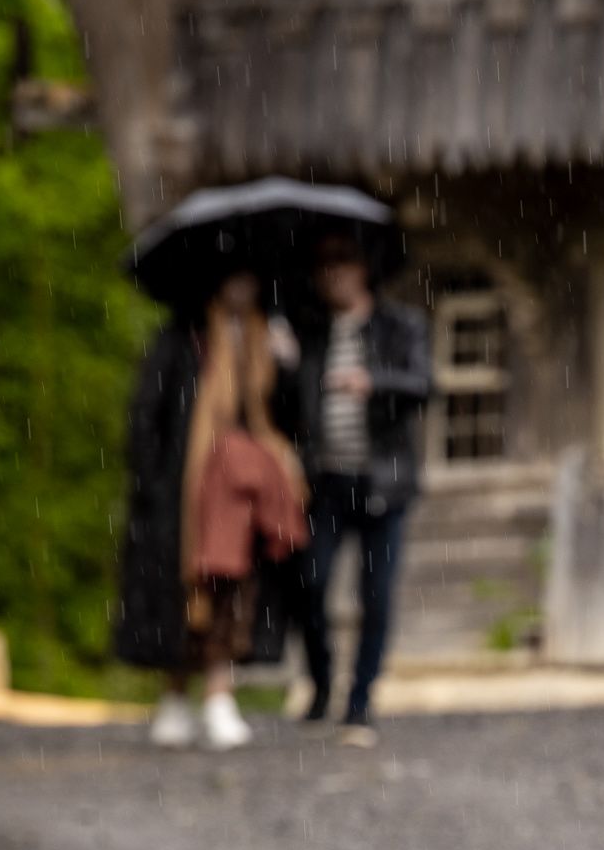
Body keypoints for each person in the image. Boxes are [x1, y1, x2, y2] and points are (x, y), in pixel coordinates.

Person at [115, 269, 308, 751]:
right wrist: (153, 483)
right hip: (187, 494)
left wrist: (288, 370)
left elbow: (290, 418)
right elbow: (147, 415)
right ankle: (176, 695)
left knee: (233, 589)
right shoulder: (182, 340)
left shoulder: (272, 342)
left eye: (250, 280)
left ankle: (220, 695)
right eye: (233, 279)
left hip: (245, 497)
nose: (243, 289)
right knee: (186, 591)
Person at [288, 231, 434, 747]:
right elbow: (289, 403)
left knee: (376, 596)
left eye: (343, 263)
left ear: (363, 270)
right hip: (324, 482)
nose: (334, 275)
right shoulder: (309, 334)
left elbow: (423, 384)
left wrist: (373, 381)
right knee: (311, 583)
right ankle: (322, 683)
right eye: (324, 266)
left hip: (382, 482)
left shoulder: (399, 326)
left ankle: (360, 701)